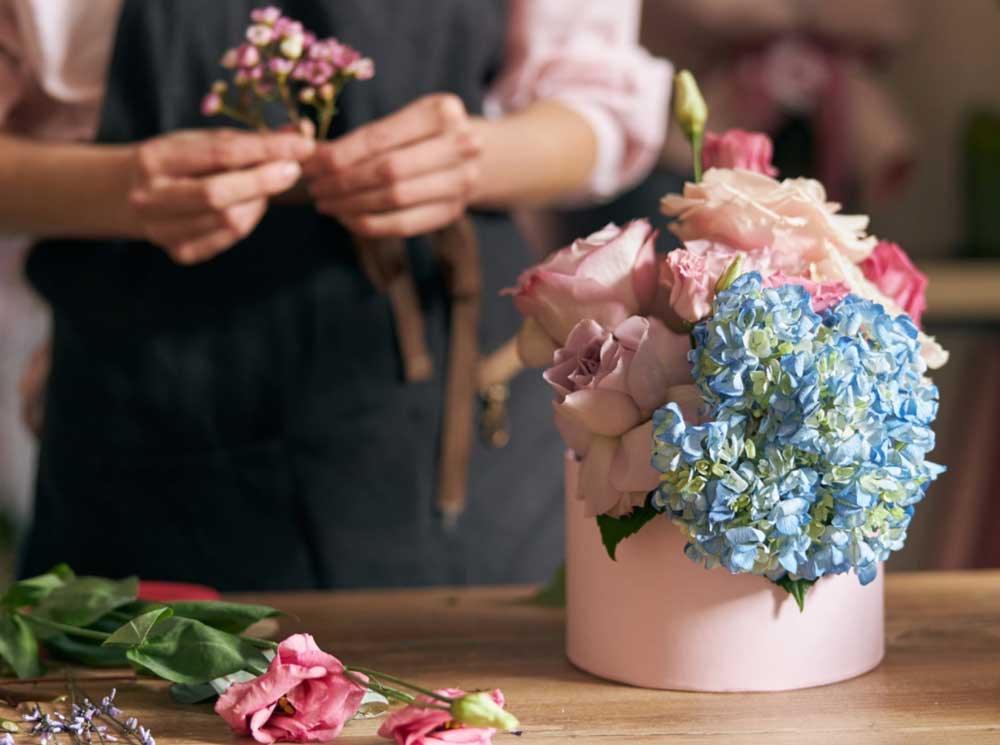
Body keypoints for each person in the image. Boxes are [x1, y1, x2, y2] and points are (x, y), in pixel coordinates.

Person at [0, 0, 669, 589]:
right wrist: (121, 189)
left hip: (461, 451)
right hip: (147, 452)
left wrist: (474, 157)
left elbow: (598, 102)